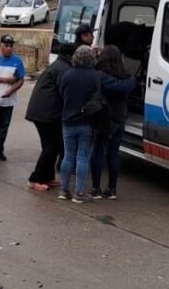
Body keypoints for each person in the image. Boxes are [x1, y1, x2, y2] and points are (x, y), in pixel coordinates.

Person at [58, 46, 135, 203]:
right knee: (84, 157)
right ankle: (80, 193)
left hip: (68, 121)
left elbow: (62, 93)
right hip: (88, 121)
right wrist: (134, 80)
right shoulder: (95, 76)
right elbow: (120, 87)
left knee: (69, 156)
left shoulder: (67, 75)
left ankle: (64, 190)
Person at [25, 42, 77, 191]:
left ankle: (47, 177)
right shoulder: (64, 69)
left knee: (54, 146)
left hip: (45, 112)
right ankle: (35, 179)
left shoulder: (60, 65)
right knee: (51, 147)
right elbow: (66, 92)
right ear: (70, 55)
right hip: (46, 114)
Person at [90, 46, 131, 200]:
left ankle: (96, 188)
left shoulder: (99, 75)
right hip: (120, 118)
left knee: (98, 152)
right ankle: (112, 188)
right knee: (114, 153)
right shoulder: (126, 75)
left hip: (103, 118)